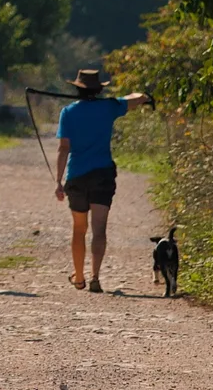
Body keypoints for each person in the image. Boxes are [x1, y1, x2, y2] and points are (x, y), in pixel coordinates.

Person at [52, 68, 151, 292]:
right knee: (99, 229)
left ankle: (79, 277)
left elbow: (63, 148)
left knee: (79, 229)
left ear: (77, 89)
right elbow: (134, 99)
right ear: (99, 89)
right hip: (102, 176)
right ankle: (95, 277)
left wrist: (59, 181)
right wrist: (145, 97)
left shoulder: (67, 112)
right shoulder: (109, 107)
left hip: (76, 176)